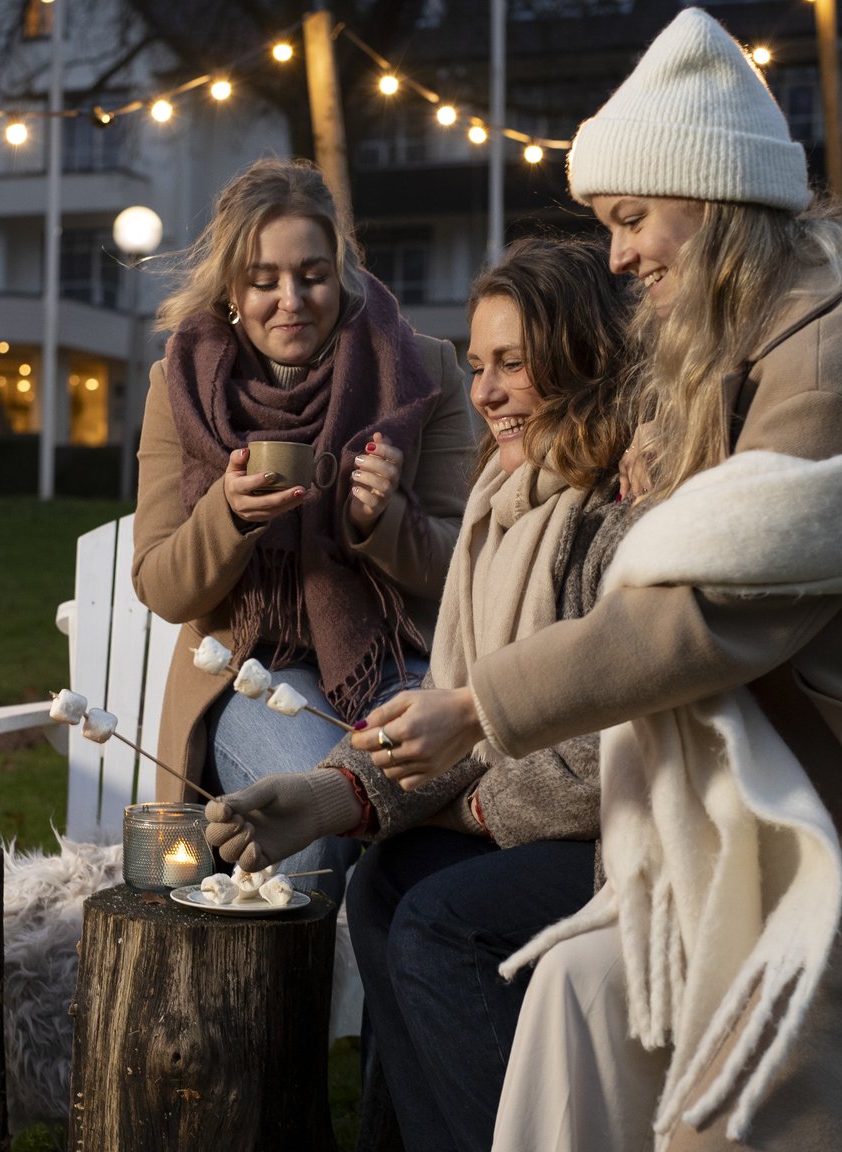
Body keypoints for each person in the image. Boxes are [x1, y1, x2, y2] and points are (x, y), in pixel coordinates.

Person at [348, 11, 842, 1152]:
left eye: (634, 217)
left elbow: (708, 611)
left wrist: (475, 706)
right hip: (800, 775)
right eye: (608, 226)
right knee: (583, 998)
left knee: (742, 1093)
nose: (620, 254)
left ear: (721, 205)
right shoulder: (750, 362)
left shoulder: (836, 367)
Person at [203, 237, 636, 1151]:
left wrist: (471, 809)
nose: (485, 392)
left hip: (642, 833)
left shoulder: (622, 515)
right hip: (554, 814)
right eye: (479, 366)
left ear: (586, 356)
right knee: (383, 890)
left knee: (444, 920)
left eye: (514, 363)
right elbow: (455, 704)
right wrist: (327, 793)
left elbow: (616, 746)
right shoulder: (507, 508)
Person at [132, 158, 475, 900]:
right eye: (264, 281)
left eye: (312, 275)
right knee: (318, 795)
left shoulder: (420, 372)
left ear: (342, 272)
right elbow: (160, 583)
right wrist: (228, 517)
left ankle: (395, 996)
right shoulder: (182, 384)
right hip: (252, 669)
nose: (291, 301)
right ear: (232, 288)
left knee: (437, 800)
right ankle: (281, 1008)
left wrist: (383, 523)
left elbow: (463, 567)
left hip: (394, 660)